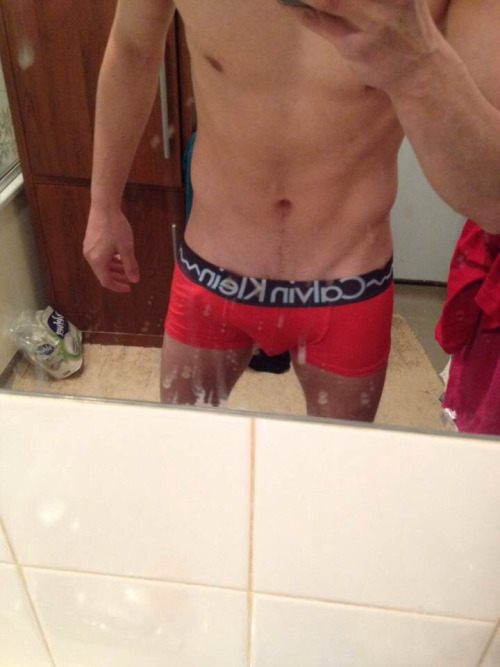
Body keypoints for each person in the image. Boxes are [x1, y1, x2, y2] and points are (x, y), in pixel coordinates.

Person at [83, 0, 500, 421]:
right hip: (212, 264)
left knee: (335, 460)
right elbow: (133, 49)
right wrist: (103, 204)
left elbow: (493, 204)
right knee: (184, 448)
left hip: (348, 280)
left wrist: (419, 64)